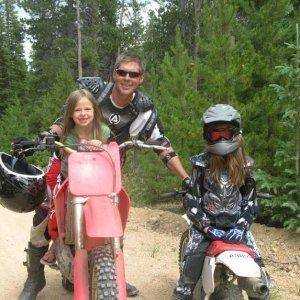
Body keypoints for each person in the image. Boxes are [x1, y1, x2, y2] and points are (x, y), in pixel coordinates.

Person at [17, 51, 189, 299]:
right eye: (122, 72)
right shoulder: (95, 93)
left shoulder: (143, 109)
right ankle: (34, 279)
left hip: (106, 173)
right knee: (44, 214)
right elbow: (61, 121)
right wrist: (49, 136)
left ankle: (111, 272)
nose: (127, 78)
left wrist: (185, 177)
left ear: (141, 78)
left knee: (116, 214)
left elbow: (162, 145)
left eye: (134, 74)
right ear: (114, 73)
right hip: (70, 165)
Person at [172, 104, 270, 300]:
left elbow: (251, 201)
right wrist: (207, 227)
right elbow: (192, 200)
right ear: (207, 135)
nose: (222, 138)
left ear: (235, 133)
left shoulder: (245, 166)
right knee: (193, 261)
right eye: (216, 135)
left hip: (236, 227)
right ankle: (183, 290)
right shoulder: (200, 165)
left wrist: (241, 227)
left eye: (225, 133)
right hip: (206, 228)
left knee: (260, 272)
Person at [40, 88, 110, 266]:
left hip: (96, 181)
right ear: (70, 113)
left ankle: (111, 249)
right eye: (78, 110)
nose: (83, 114)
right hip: (71, 180)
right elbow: (69, 156)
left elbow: (109, 152)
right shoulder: (69, 136)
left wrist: (100, 144)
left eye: (87, 109)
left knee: (110, 204)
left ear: (95, 110)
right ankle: (57, 243)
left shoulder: (103, 131)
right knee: (57, 210)